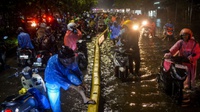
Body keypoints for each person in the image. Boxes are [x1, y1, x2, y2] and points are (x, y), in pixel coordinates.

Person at [44, 45, 96, 112]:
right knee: (55, 104)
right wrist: (76, 87)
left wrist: (81, 83)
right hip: (52, 81)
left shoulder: (70, 60)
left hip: (64, 72)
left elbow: (76, 70)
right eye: (68, 61)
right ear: (62, 60)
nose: (70, 62)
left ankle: (85, 99)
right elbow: (62, 81)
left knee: (76, 81)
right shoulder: (53, 65)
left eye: (71, 60)